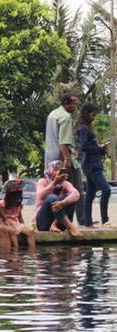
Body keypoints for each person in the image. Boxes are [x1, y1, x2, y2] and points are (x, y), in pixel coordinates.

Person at [45, 93, 85, 225]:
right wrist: (67, 158)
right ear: (66, 104)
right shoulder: (65, 116)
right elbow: (63, 141)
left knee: (55, 189)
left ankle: (57, 220)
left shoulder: (52, 114)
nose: (75, 106)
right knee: (75, 190)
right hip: (62, 160)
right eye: (74, 103)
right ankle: (83, 220)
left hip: (50, 160)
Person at [76, 102, 116, 229]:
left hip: (92, 163)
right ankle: (105, 220)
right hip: (92, 165)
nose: (94, 118)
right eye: (93, 115)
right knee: (106, 189)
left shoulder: (86, 128)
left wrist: (100, 148)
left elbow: (89, 146)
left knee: (91, 194)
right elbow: (84, 147)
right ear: (86, 113)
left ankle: (88, 222)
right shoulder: (83, 128)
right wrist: (98, 149)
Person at [34, 160, 83, 236]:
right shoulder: (43, 181)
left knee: (70, 197)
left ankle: (54, 224)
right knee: (52, 197)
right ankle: (70, 227)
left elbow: (76, 194)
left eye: (60, 170)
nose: (58, 172)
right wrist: (54, 183)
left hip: (61, 224)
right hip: (44, 222)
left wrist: (63, 203)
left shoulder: (65, 184)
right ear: (49, 170)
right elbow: (40, 195)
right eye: (55, 170)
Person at [0, 181, 35, 248]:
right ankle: (16, 249)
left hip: (14, 223)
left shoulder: (18, 205)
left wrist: (24, 226)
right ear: (9, 197)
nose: (16, 200)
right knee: (12, 231)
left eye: (18, 198)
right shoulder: (1, 204)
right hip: (2, 222)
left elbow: (20, 218)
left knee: (29, 232)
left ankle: (32, 251)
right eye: (14, 198)